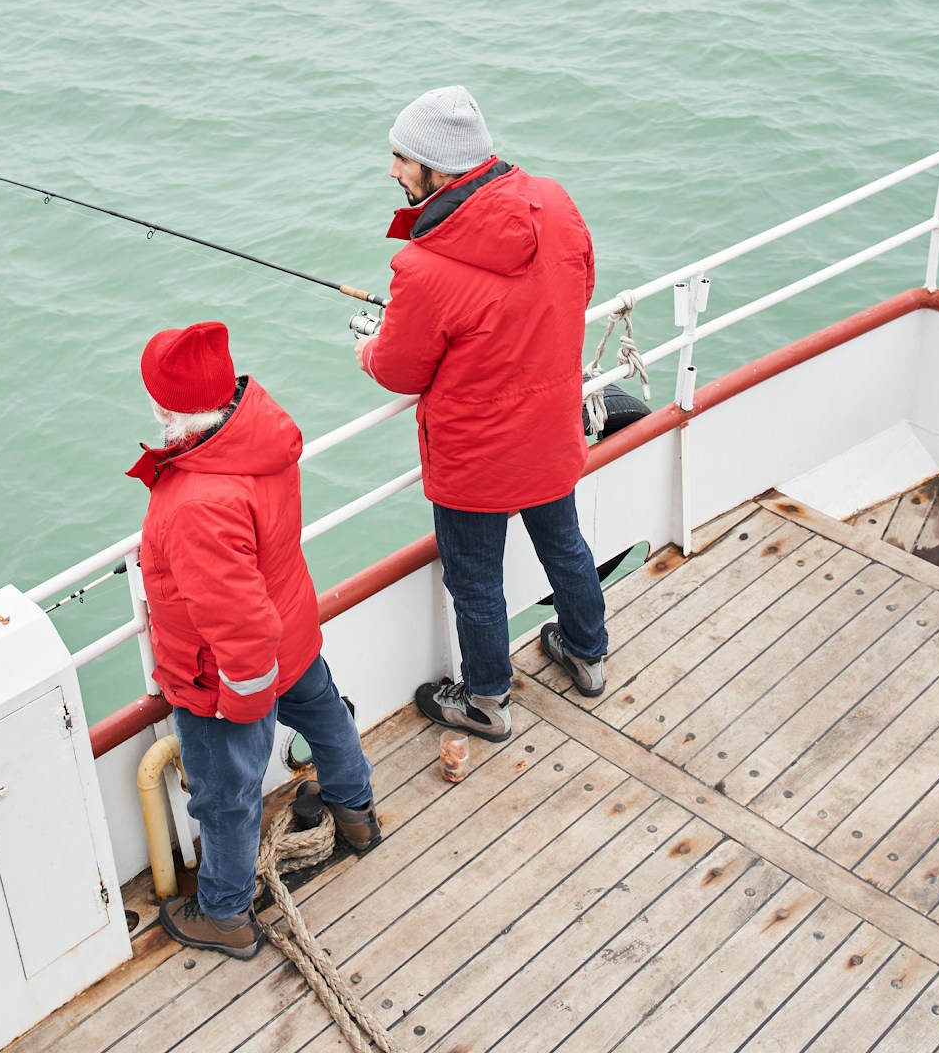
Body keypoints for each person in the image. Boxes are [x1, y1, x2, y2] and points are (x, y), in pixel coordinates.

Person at [354, 85, 609, 743]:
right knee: (565, 545)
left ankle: (488, 702)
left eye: (402, 158)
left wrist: (369, 347)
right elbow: (581, 283)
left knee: (475, 580)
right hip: (550, 429)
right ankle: (586, 653)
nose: (392, 171)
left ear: (438, 168)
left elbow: (401, 370)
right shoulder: (552, 201)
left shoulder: (421, 265)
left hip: (474, 458)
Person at [128, 321, 380, 961]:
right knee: (325, 717)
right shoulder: (257, 437)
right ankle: (356, 816)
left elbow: (235, 621)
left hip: (227, 676)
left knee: (226, 795)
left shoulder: (194, 501)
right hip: (291, 629)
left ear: (166, 408)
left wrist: (243, 705)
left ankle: (226, 914)